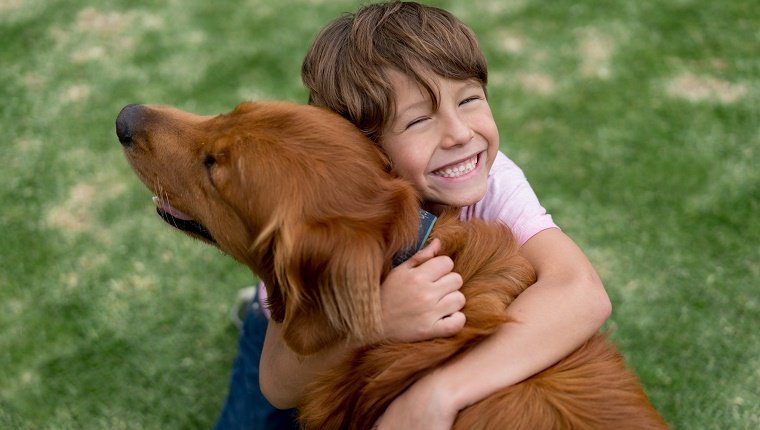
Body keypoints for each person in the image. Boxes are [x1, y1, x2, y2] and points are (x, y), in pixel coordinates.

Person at [215, 2, 611, 429]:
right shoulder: (319, 210)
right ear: (367, 151)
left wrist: (441, 392)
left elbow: (581, 291)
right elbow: (278, 383)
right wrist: (376, 323)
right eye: (419, 120)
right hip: (316, 325)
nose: (460, 133)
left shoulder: (493, 179)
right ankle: (256, 315)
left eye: (470, 99)